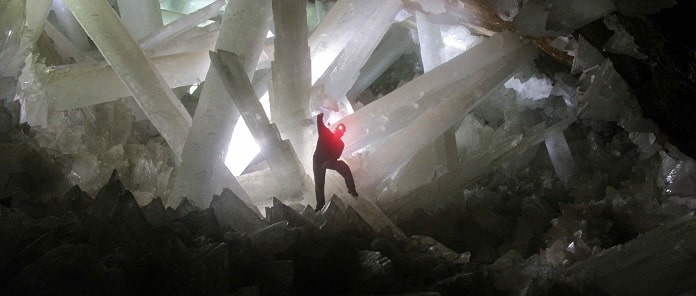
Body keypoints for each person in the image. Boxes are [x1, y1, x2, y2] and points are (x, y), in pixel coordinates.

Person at [313, 113, 358, 211]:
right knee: (319, 183)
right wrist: (320, 117)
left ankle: (352, 189)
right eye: (339, 129)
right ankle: (319, 206)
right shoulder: (326, 133)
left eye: (342, 131)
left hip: (329, 161)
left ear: (342, 134)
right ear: (336, 129)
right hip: (318, 161)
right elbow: (320, 124)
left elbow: (336, 156)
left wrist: (329, 162)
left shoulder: (340, 144)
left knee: (344, 166)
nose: (339, 132)